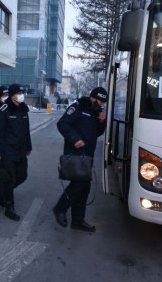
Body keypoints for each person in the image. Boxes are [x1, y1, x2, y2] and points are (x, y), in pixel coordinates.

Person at [52, 87, 107, 232]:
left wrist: (101, 122)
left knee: (84, 187)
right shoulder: (78, 106)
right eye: (99, 101)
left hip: (87, 155)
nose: (101, 104)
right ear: (92, 97)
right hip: (76, 153)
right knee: (80, 184)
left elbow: (97, 133)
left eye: (103, 102)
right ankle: (60, 208)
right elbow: (62, 123)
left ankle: (77, 220)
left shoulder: (95, 112)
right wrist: (75, 139)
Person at [0, 84, 32, 221]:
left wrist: (28, 147)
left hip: (20, 150)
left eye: (23, 92)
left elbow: (26, 131)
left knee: (22, 175)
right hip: (7, 151)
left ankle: (1, 191)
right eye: (19, 92)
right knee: (10, 179)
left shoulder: (23, 110)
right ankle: (9, 207)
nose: (22, 95)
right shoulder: (3, 110)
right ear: (12, 95)